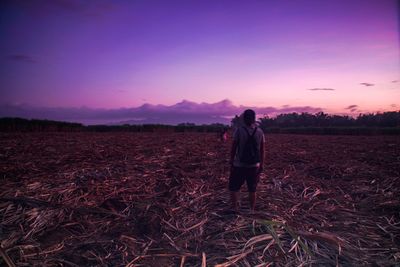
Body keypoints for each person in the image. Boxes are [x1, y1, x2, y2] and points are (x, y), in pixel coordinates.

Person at [229, 109, 265, 213]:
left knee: (234, 187)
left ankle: (235, 208)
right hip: (254, 165)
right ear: (254, 119)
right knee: (252, 188)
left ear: (244, 119)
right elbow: (262, 150)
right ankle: (252, 209)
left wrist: (231, 161)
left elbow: (234, 147)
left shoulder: (239, 130)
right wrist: (261, 164)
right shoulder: (260, 131)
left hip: (239, 165)